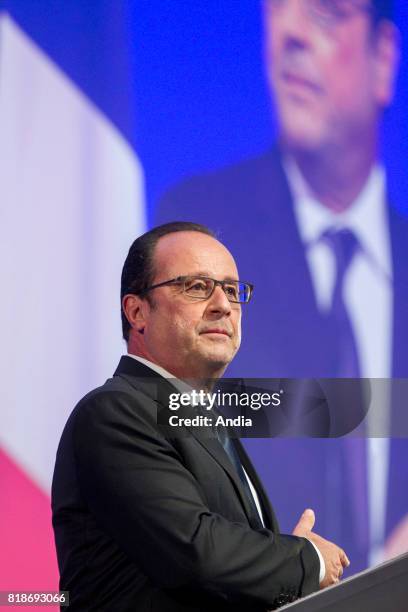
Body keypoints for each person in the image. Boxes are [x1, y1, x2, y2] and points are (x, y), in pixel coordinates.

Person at [155, 0, 408, 571]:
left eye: (324, 13)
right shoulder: (199, 235)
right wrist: (292, 564)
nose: (289, 33)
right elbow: (179, 421)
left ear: (383, 57)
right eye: (278, 11)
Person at [52, 222, 349, 611]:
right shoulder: (114, 412)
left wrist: (286, 578)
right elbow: (196, 553)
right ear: (137, 311)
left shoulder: (208, 423)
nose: (223, 305)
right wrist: (304, 560)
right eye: (196, 287)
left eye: (231, 290)